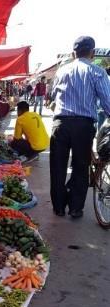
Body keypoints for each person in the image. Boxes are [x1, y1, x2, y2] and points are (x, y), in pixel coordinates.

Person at [50, 36, 110, 218]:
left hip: (60, 124)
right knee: (81, 166)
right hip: (83, 126)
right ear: (92, 52)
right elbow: (107, 102)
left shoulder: (61, 71)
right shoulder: (98, 72)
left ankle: (59, 207)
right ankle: (75, 208)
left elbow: (53, 95)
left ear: (74, 52)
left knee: (58, 166)